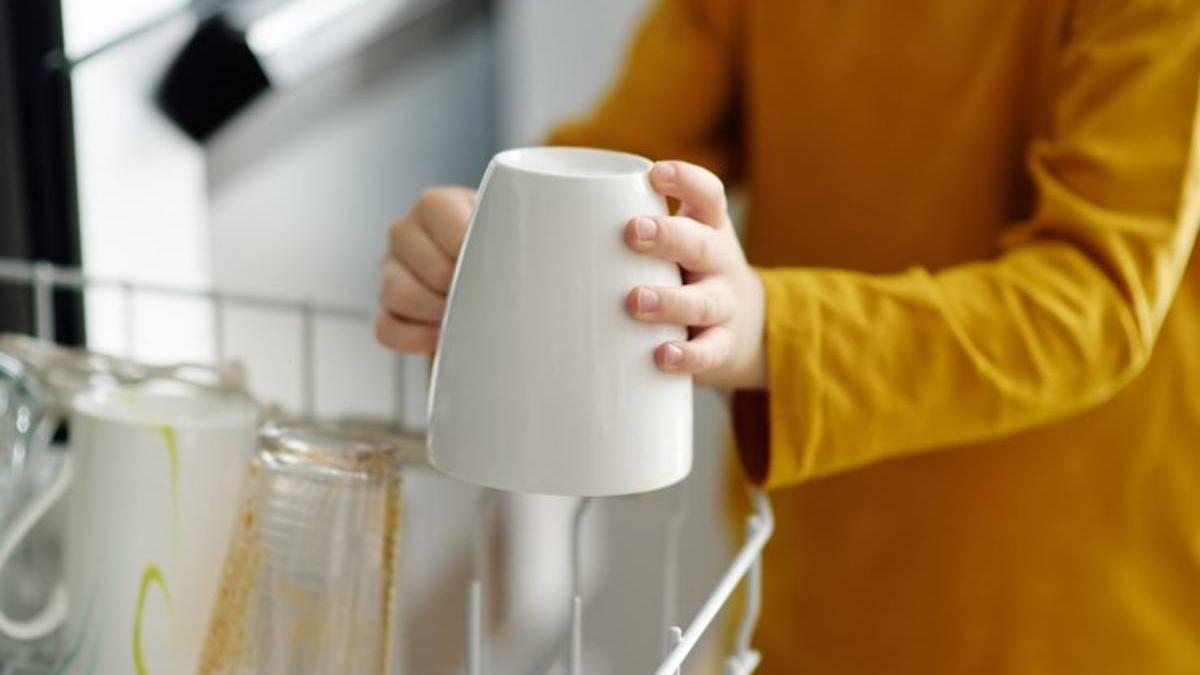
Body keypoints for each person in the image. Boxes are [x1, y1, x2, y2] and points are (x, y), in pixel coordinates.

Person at [376, 1, 1200, 672]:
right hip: (819, 597)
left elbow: (1096, 296)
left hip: (1091, 615)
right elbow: (637, 163)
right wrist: (499, 248)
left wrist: (771, 327)